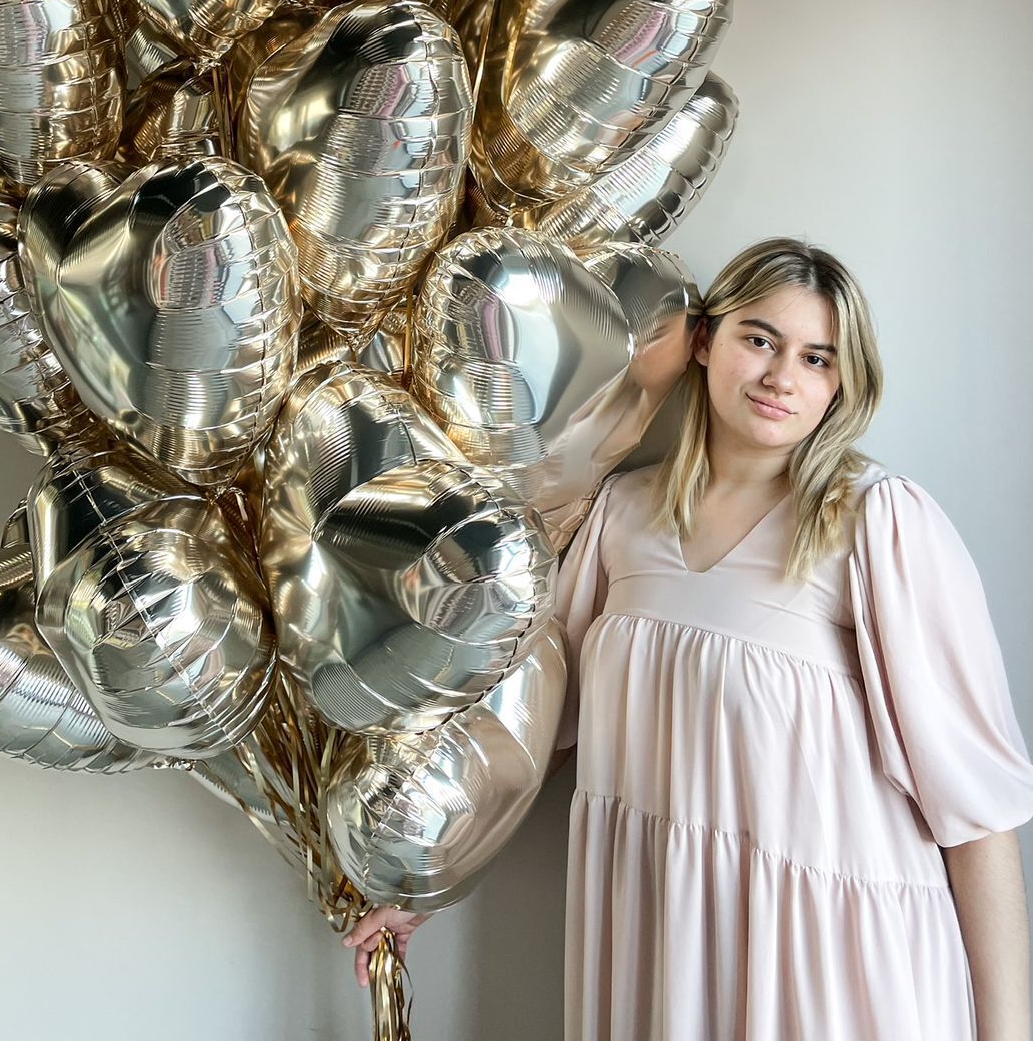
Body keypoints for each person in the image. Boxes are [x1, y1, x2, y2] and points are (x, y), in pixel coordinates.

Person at [344, 236, 1033, 1038]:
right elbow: (535, 733)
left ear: (842, 384)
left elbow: (978, 815)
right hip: (663, 934)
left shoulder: (877, 522)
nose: (781, 377)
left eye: (817, 359)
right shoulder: (621, 514)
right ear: (705, 340)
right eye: (760, 340)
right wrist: (432, 880)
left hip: (836, 958)